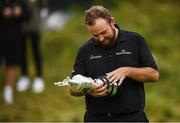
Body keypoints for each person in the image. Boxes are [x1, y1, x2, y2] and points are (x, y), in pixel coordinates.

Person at [70, 5, 159, 122]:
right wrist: (88, 89)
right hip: (96, 118)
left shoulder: (135, 40)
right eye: (95, 35)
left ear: (112, 21)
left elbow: (153, 75)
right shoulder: (85, 50)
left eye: (103, 32)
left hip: (132, 118)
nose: (100, 38)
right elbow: (72, 89)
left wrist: (127, 71)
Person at [0, 0, 30, 104]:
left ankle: (8, 91)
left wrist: (19, 13)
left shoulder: (19, 2)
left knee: (11, 65)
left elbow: (27, 14)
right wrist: (4, 13)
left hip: (14, 38)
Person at [16, 0, 48, 93]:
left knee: (36, 51)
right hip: (22, 25)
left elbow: (43, 6)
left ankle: (39, 77)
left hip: (35, 25)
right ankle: (24, 76)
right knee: (22, 52)